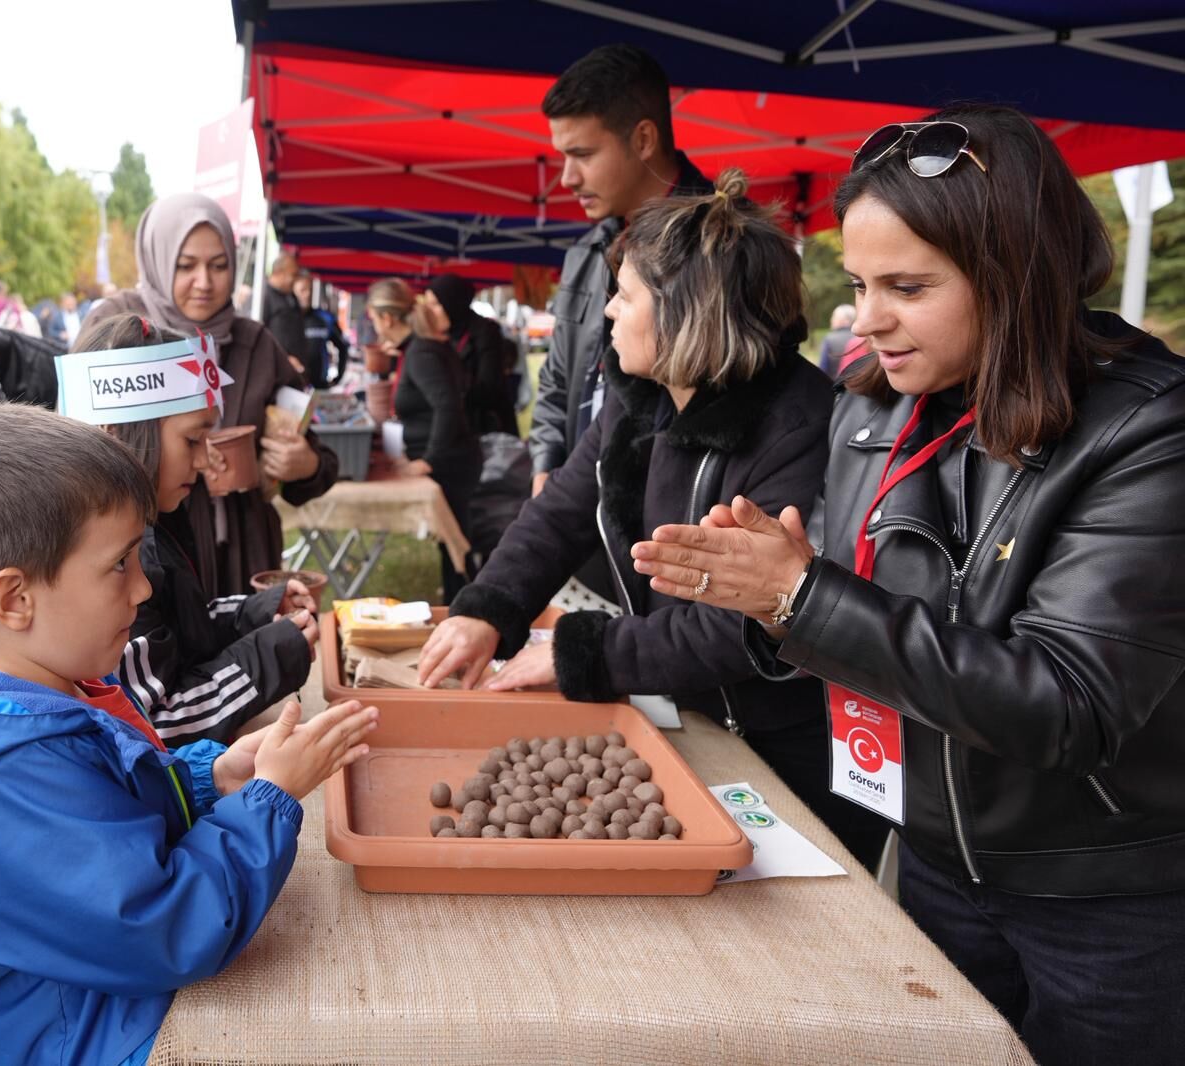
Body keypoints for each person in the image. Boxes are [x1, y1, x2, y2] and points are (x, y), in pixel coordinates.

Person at [632, 107, 1185, 1065]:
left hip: (1102, 899)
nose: (867, 317)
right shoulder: (872, 407)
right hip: (931, 861)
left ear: (1014, 275)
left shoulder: (1147, 433)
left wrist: (805, 598)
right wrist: (772, 602)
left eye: (908, 286)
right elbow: (860, 625)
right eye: (857, 284)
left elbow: (1068, 703)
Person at [0, 402, 378, 1065]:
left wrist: (212, 775)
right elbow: (163, 928)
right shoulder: (15, 778)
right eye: (120, 565)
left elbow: (106, 802)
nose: (141, 590)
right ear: (14, 599)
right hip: (70, 1039)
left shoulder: (25, 692)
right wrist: (270, 798)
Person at [418, 170, 887, 871]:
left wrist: (588, 653)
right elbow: (565, 508)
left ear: (684, 312)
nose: (607, 311)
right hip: (690, 713)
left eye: (625, 295)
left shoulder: (796, 425)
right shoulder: (640, 396)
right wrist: (488, 609)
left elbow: (747, 621)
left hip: (791, 747)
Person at [61, 312, 320, 744]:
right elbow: (158, 723)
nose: (204, 461)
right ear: (122, 433)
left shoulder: (160, 522)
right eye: (192, 441)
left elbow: (182, 633)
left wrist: (255, 612)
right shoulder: (120, 559)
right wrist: (273, 654)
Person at [529, 44, 713, 602]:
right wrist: (546, 468)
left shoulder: (724, 251)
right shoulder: (586, 253)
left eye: (582, 153)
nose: (565, 177)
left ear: (643, 139)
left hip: (674, 547)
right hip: (575, 532)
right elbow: (558, 380)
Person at [87, 193, 338, 598]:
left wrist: (303, 465)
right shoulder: (119, 328)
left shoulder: (255, 343)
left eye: (219, 266)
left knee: (244, 655)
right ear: (158, 258)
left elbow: (320, 459)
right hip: (147, 557)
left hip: (243, 554)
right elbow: (80, 445)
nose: (204, 282)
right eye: (185, 266)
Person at [366, 277, 481, 602]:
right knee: (454, 548)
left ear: (387, 318)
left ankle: (467, 611)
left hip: (450, 464)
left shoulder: (421, 353)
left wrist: (428, 460)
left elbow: (447, 405)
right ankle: (461, 607)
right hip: (452, 459)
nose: (374, 327)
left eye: (373, 318)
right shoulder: (418, 348)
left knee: (458, 550)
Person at [426, 274, 517, 437]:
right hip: (459, 426)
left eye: (435, 305)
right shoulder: (443, 335)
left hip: (487, 429)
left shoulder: (486, 332)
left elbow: (489, 387)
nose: (430, 312)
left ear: (451, 302)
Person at [292, 270, 350, 388]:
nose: (307, 294)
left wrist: (338, 378)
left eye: (310, 290)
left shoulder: (324, 318)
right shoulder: (285, 319)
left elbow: (343, 347)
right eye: (303, 290)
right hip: (293, 385)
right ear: (293, 291)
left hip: (320, 385)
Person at [259, 252, 306, 360]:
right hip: (272, 368)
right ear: (279, 273)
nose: (295, 280)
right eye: (293, 275)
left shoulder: (291, 297)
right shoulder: (262, 297)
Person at [818, 303, 856, 377]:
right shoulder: (861, 338)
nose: (831, 320)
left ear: (844, 320)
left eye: (834, 317)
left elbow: (823, 368)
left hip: (835, 384)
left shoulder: (829, 339)